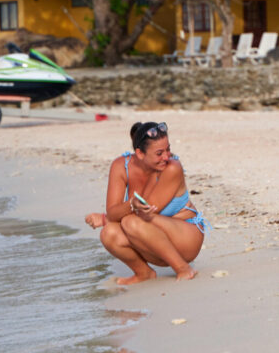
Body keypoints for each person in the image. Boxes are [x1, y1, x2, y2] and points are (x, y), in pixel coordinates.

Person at [85, 121, 207, 284]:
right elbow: (114, 213)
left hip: (187, 238)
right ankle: (144, 273)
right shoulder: (121, 166)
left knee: (130, 222)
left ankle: (183, 268)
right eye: (159, 153)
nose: (166, 157)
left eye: (168, 149)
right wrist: (118, 212)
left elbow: (146, 211)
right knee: (109, 234)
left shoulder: (172, 168)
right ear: (140, 154)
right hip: (153, 239)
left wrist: (104, 218)